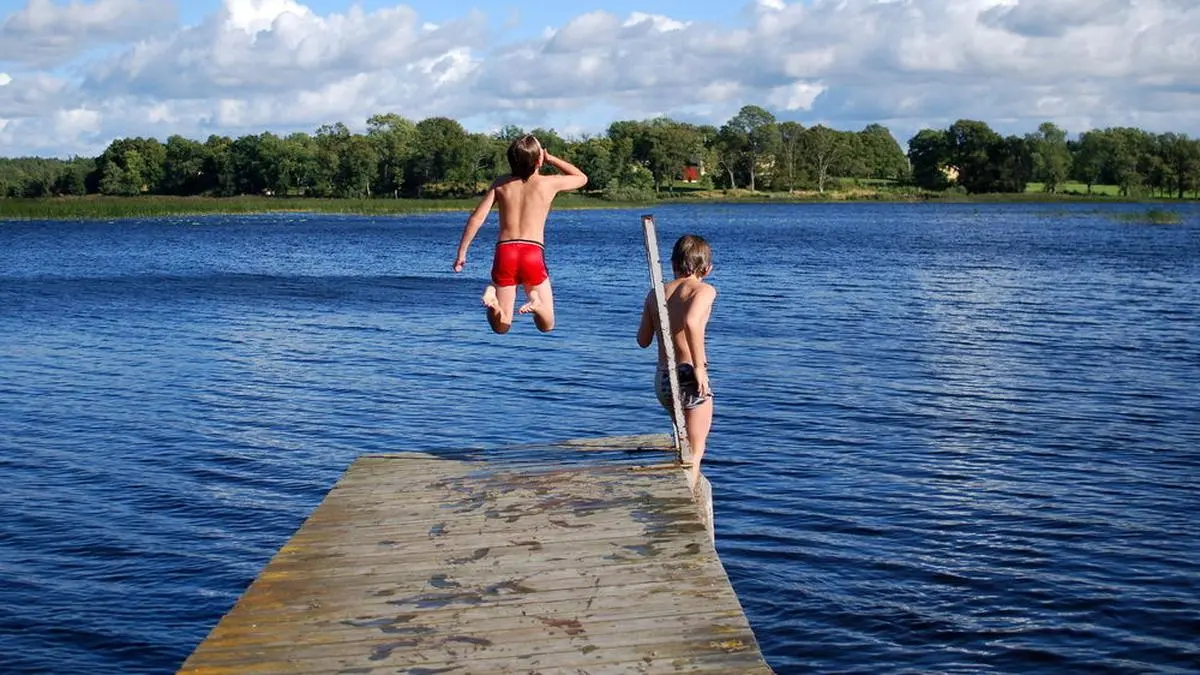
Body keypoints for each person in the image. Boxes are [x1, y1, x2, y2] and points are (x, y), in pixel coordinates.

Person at [453, 135, 587, 333]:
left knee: (502, 326)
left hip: (505, 252)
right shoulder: (548, 183)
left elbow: (476, 219)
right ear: (538, 159)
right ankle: (536, 303)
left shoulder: (501, 184)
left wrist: (461, 253)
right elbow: (582, 178)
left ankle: (493, 302)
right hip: (532, 251)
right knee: (547, 325)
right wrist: (552, 159)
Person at [637, 234, 717, 489]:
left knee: (683, 443)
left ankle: (678, 489)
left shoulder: (655, 294)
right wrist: (700, 369)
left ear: (673, 264)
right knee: (695, 450)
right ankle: (687, 500)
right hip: (688, 376)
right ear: (707, 268)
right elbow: (692, 322)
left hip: (662, 379)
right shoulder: (704, 290)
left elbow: (643, 340)